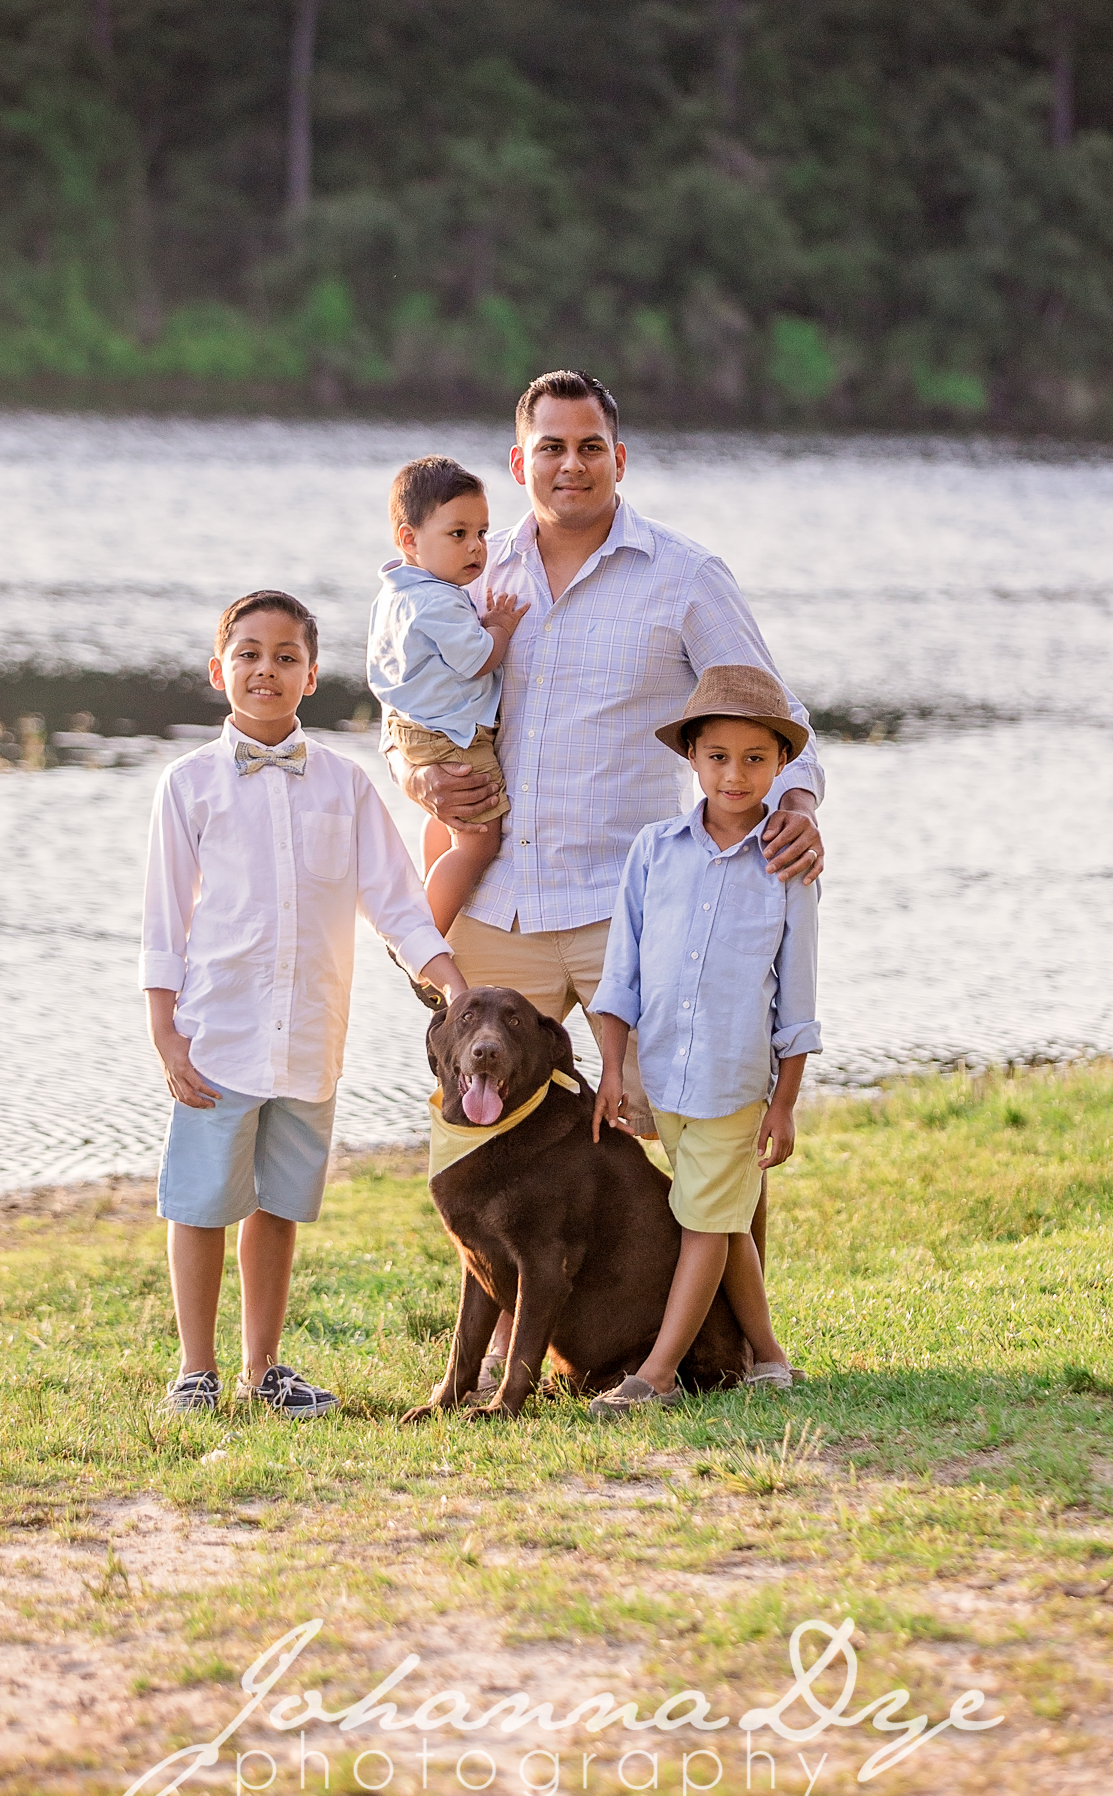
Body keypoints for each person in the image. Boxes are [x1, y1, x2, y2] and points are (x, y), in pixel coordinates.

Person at [384, 368, 826, 1387]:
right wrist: (412, 769)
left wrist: (796, 805)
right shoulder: (468, 572)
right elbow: (403, 702)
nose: (570, 463)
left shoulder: (683, 576)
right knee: (486, 1123)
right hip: (499, 907)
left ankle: (732, 1344)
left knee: (698, 1124)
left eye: (590, 446)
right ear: (519, 460)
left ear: (618, 459)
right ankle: (508, 1347)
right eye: (551, 447)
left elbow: (775, 713)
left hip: (638, 911)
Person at [140, 588, 464, 1416]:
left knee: (278, 1204)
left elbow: (395, 900)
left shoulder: (346, 787)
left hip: (311, 1034)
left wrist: (450, 981)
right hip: (219, 1032)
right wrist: (164, 1033)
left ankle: (264, 1366)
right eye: (249, 654)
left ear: (311, 675)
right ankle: (196, 1370)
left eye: (286, 657)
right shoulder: (188, 785)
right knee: (204, 1201)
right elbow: (163, 920)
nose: (266, 670)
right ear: (220, 670)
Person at [586, 666, 822, 1415]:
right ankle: (771, 1358)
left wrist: (782, 1106)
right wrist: (613, 1071)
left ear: (781, 766)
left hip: (732, 1081)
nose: (734, 773)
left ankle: (655, 1375)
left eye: (755, 758)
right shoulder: (653, 851)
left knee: (700, 1223)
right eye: (717, 756)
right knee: (717, 1217)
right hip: (662, 1079)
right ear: (691, 758)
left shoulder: (787, 867)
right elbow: (620, 972)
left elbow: (799, 999)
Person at [367, 455, 529, 946]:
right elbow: (478, 660)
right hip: (452, 736)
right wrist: (498, 627)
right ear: (409, 539)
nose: (476, 547)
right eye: (457, 534)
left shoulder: (396, 592)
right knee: (480, 839)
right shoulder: (438, 600)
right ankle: (422, 940)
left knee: (445, 818)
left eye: (481, 532)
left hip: (412, 727)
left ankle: (423, 905)